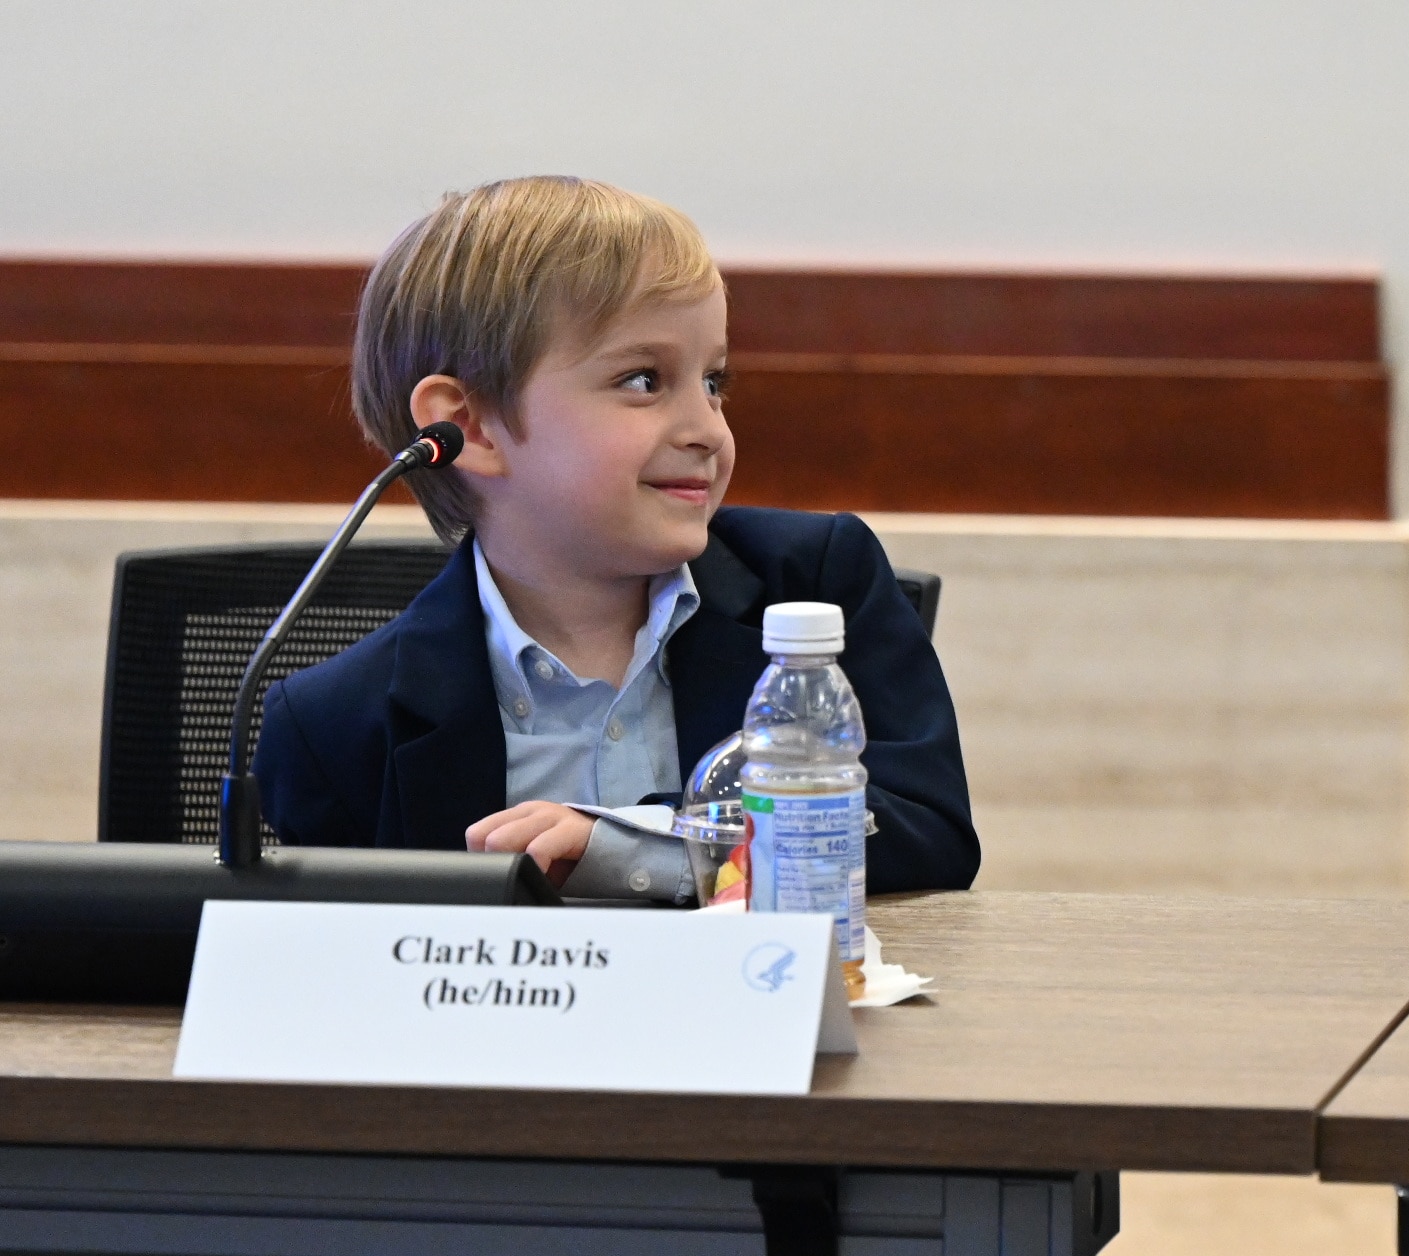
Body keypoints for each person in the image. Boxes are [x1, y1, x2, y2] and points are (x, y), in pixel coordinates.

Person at [256, 175, 981, 901]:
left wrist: (636, 847)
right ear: (469, 428)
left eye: (714, 381)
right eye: (643, 380)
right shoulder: (333, 727)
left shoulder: (816, 583)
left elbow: (928, 831)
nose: (708, 430)